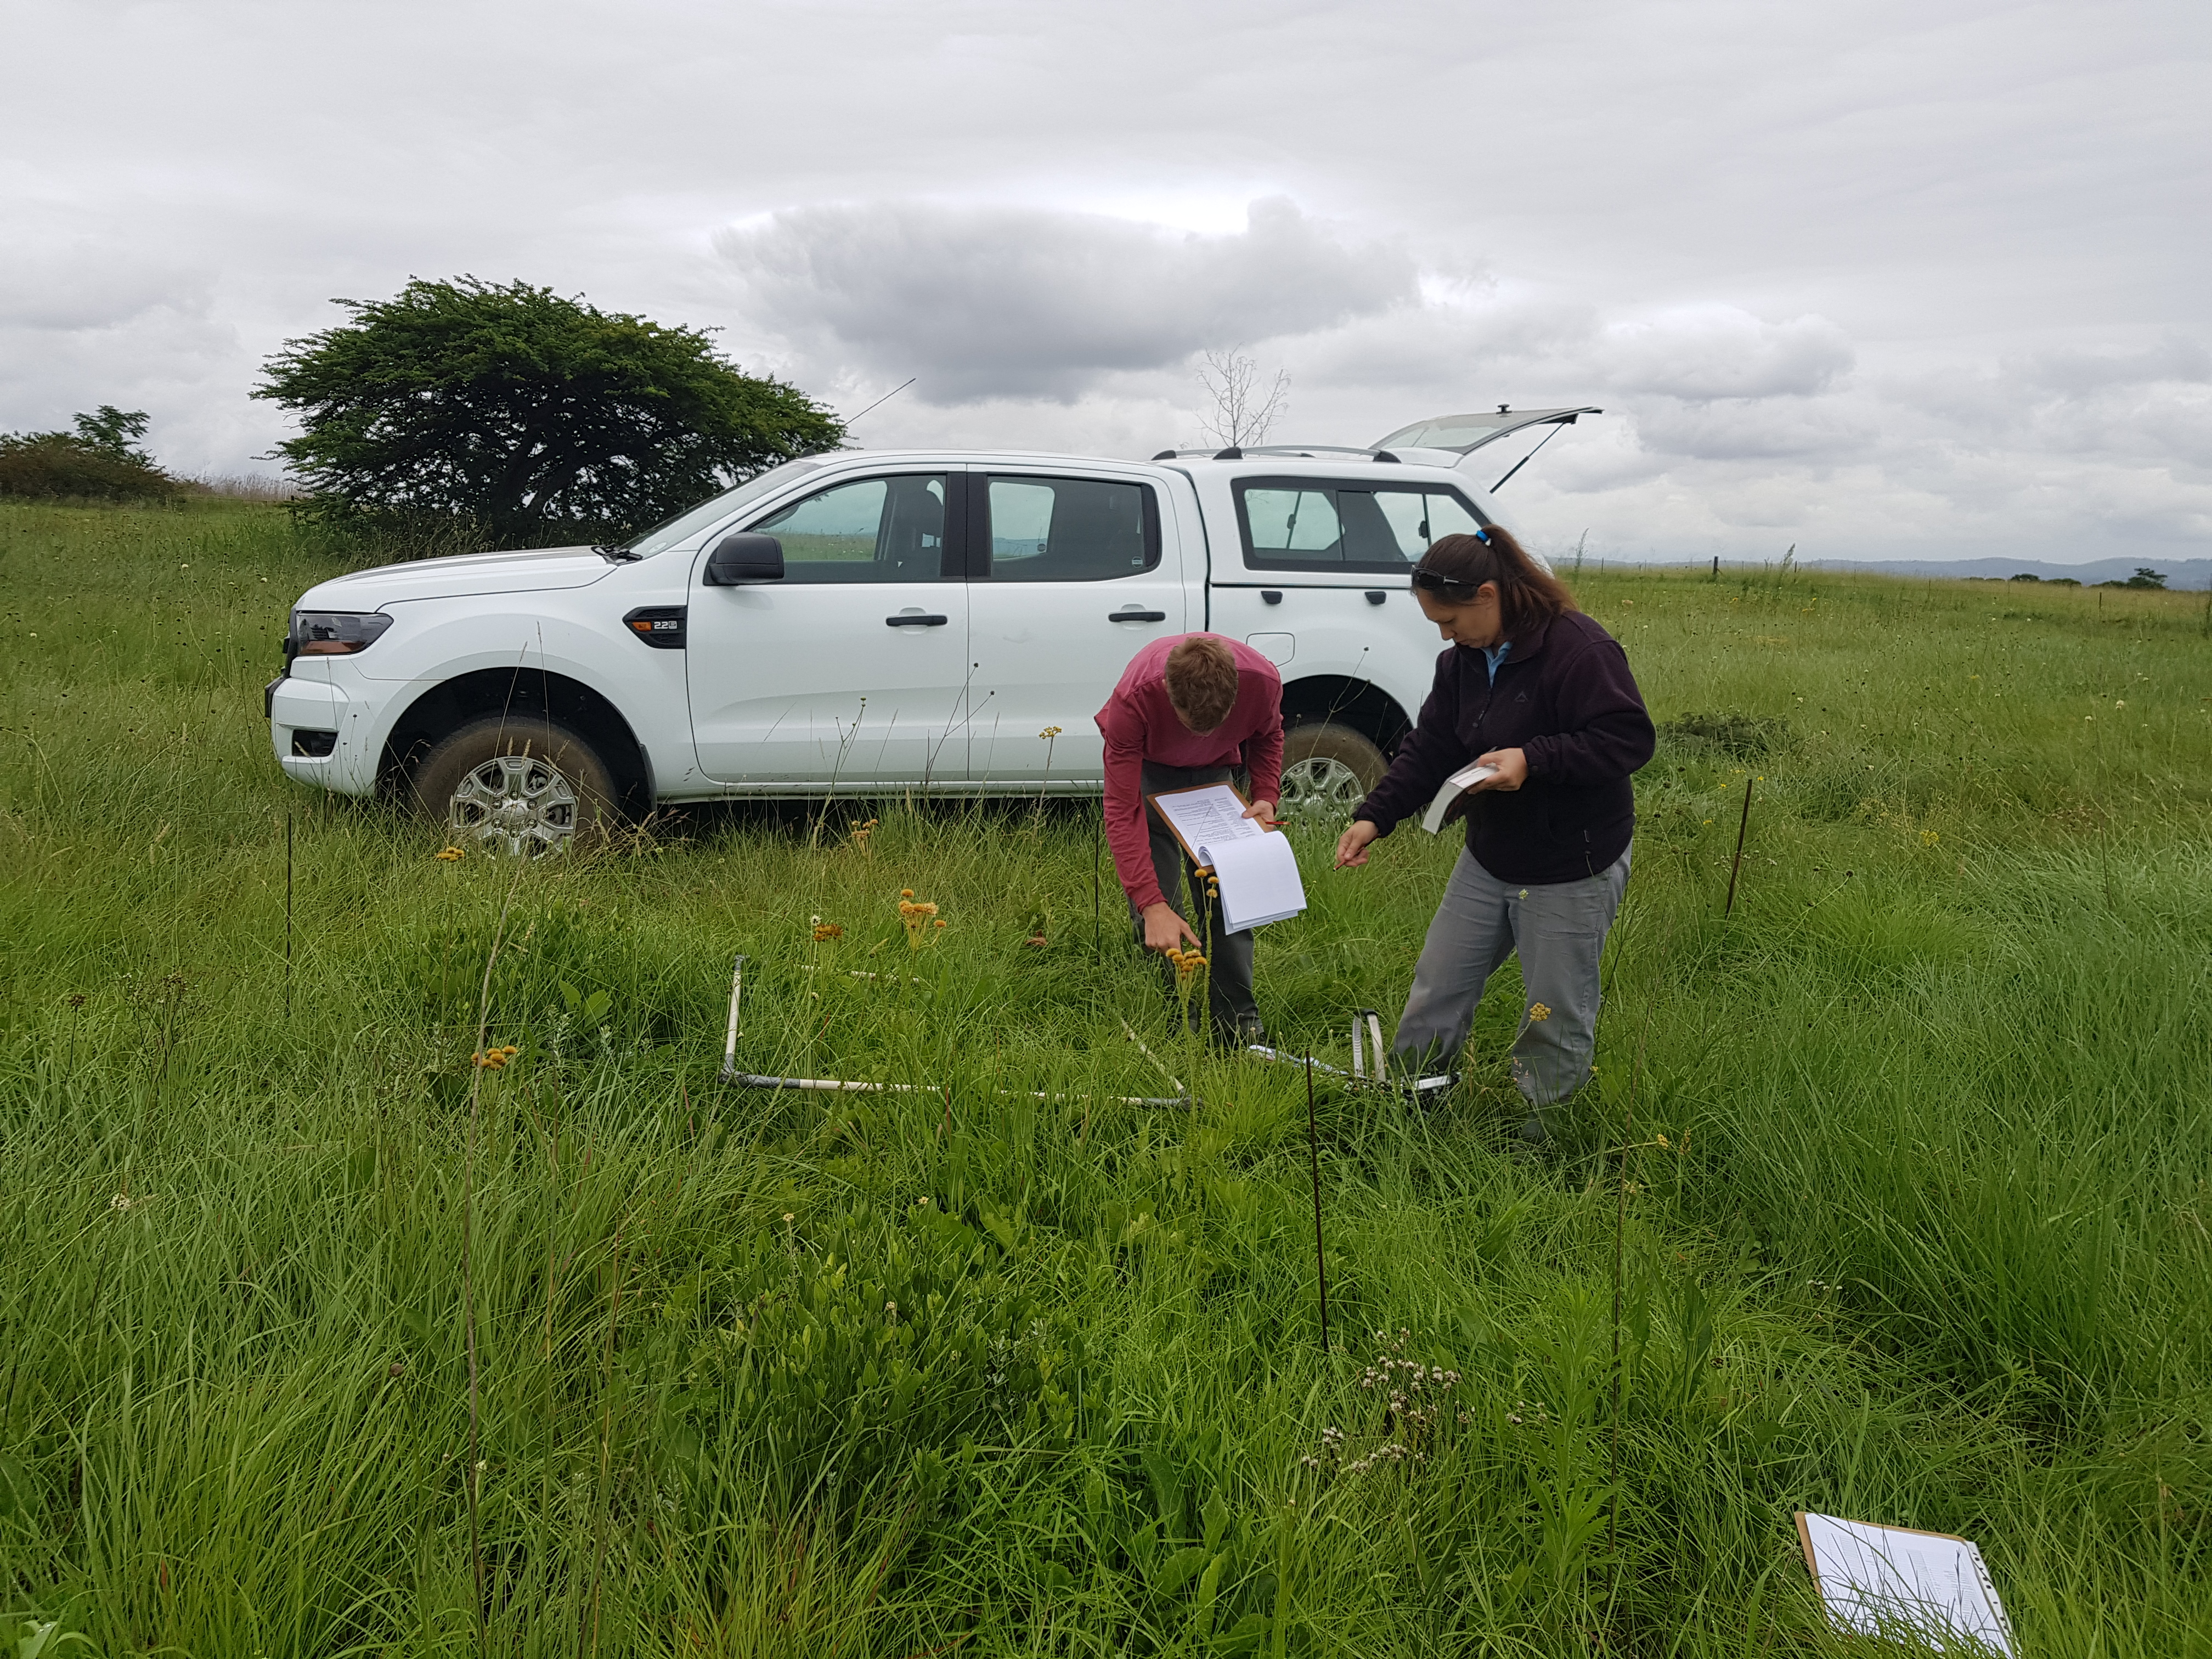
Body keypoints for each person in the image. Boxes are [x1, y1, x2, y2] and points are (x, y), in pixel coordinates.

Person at [1334, 526, 1654, 1142]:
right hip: (1491, 857)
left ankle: (1547, 1136)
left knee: (1554, 1010)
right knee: (1438, 986)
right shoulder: (1460, 665)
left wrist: (1532, 760)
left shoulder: (1579, 650)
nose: (1446, 635)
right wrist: (1375, 815)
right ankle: (1412, 1107)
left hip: (1573, 862)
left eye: (1451, 620)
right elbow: (1431, 747)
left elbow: (1628, 739)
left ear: (1489, 593)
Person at [1097, 633, 1284, 1046]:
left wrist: (1266, 796)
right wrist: (1151, 903)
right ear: (1167, 690)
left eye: (1214, 725)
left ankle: (1236, 1024)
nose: (1199, 735)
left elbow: (1268, 735)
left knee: (1228, 893)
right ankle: (1175, 1017)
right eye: (1190, 724)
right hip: (1150, 771)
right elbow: (1122, 811)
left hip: (1216, 777)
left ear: (1237, 691)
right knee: (1158, 909)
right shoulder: (1135, 698)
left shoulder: (1264, 681)